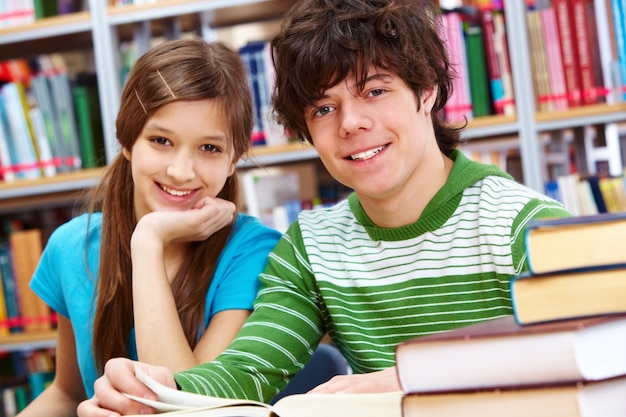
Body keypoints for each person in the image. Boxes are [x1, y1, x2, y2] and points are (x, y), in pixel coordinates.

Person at [78, 0, 571, 415]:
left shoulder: (528, 228)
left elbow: (593, 355)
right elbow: (247, 372)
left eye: (375, 91)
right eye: (323, 109)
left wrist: (409, 377)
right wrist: (154, 394)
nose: (351, 124)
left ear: (428, 91)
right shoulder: (312, 246)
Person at [18, 38, 282, 416]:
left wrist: (148, 240)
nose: (181, 171)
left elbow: (191, 409)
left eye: (209, 148)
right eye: (161, 140)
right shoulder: (71, 246)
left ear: (233, 159)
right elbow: (67, 392)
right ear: (127, 141)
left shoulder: (255, 251)